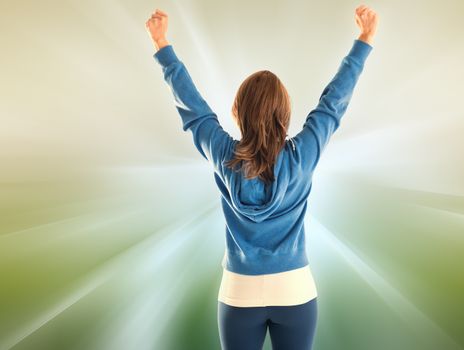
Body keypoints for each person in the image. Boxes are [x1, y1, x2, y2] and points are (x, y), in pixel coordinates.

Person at [146, 4, 378, 349]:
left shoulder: (224, 155)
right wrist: (364, 39)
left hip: (240, 290)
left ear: (238, 111)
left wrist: (162, 43)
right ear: (284, 114)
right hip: (295, 288)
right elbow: (332, 104)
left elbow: (194, 110)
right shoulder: (302, 155)